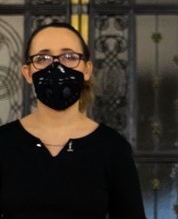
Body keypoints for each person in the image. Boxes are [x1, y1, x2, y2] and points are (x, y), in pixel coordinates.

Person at [0, 22, 147, 219]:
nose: (56, 67)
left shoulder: (113, 148)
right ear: (27, 73)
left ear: (87, 69)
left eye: (69, 57)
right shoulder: (3, 143)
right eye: (43, 58)